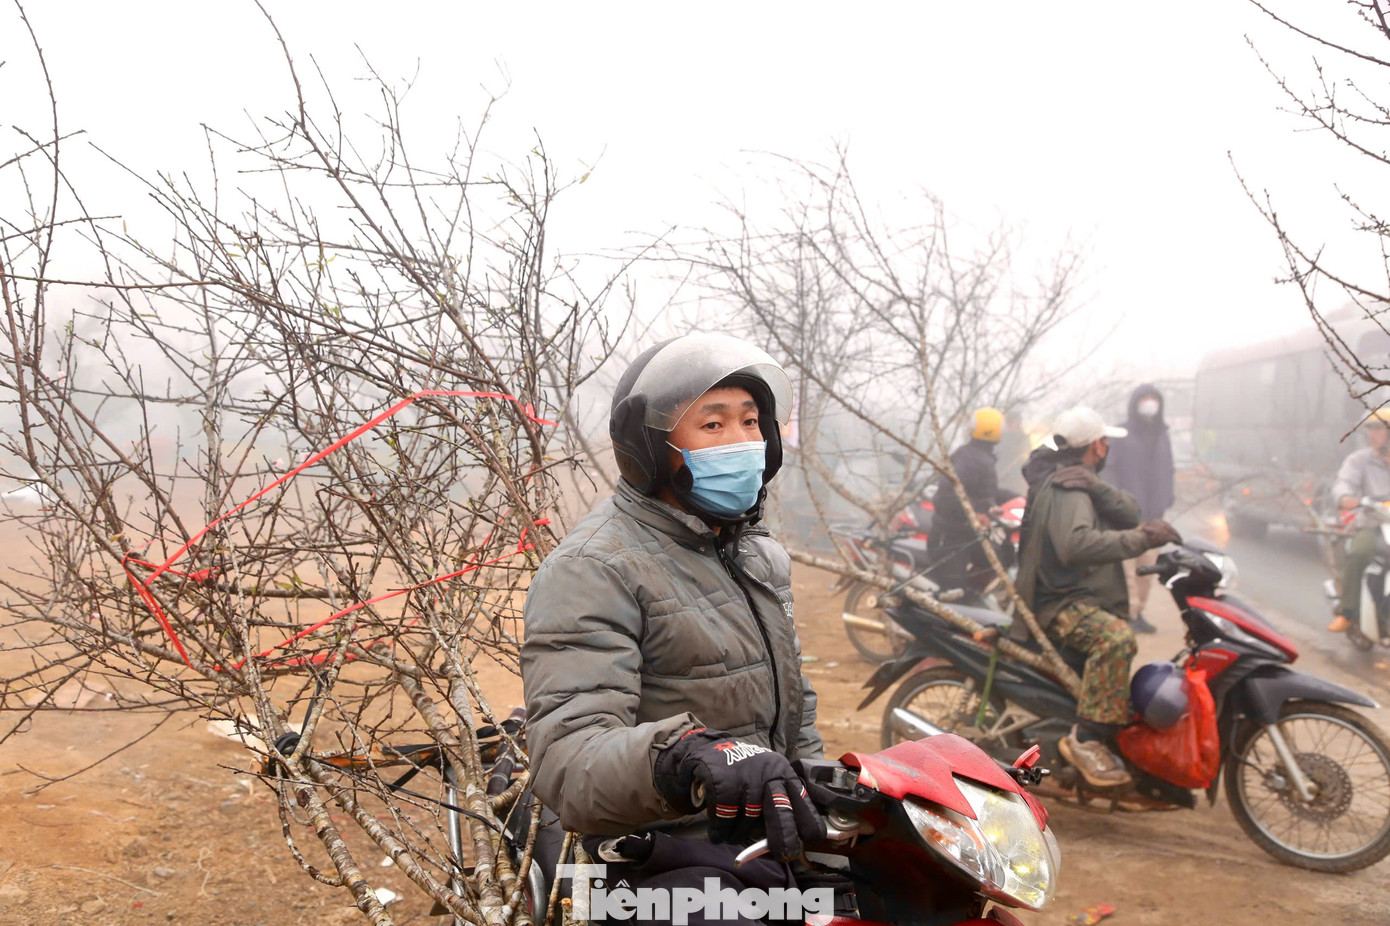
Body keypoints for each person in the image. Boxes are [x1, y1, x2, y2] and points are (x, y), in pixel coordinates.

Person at [521, 333, 828, 925]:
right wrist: (684, 754)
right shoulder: (593, 568)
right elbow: (568, 762)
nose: (743, 443)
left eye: (751, 422)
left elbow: (797, 711)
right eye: (712, 427)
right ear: (653, 448)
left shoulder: (756, 556)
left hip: (764, 835)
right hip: (651, 856)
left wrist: (818, 787)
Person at [1013, 406, 1181, 788]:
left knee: (1118, 635)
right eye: (1106, 441)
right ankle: (1086, 740)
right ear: (1099, 446)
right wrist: (1140, 539)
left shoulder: (1082, 482)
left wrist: (1098, 487)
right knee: (1116, 639)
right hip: (1058, 602)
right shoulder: (1069, 488)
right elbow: (1075, 545)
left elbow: (1129, 511)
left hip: (1074, 595)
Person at [1104, 385, 1177, 634]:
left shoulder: (1162, 435)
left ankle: (1139, 612)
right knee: (1126, 571)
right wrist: (1118, 502)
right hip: (1127, 515)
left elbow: (1169, 469)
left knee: (1147, 570)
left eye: (1153, 399)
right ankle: (1128, 613)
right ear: (1135, 403)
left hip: (1154, 518)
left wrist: (1167, 498)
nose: (1149, 404)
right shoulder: (1121, 433)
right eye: (1145, 399)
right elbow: (1109, 469)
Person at [927, 407, 1016, 593]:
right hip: (951, 538)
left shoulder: (977, 456)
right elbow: (946, 496)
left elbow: (982, 491)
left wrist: (1014, 496)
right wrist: (976, 513)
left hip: (965, 535)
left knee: (1005, 554)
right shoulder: (973, 459)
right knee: (953, 595)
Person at [1327, 411, 1390, 637]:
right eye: (1370, 430)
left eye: (1378, 429)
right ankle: (1348, 611)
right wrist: (1346, 498)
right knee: (1360, 554)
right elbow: (1343, 484)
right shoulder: (1359, 460)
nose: (1372, 435)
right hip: (1371, 524)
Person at [995, 410, 1031, 497]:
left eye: (1018, 422)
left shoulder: (1023, 437)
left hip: (1018, 477)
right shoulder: (1000, 437)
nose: (1017, 424)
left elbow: (1027, 454)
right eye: (1013, 421)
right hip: (1002, 478)